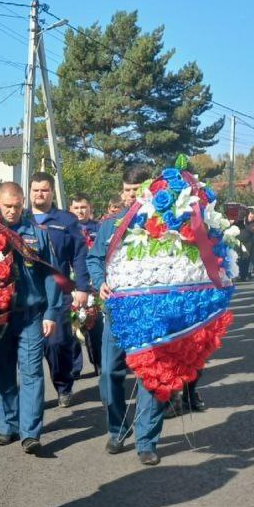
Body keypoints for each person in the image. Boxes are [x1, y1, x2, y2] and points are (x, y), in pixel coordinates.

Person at [87, 163, 165, 466]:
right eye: (127, 191)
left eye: (137, 191)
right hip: (117, 312)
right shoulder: (110, 225)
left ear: (149, 190)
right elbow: (94, 259)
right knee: (109, 373)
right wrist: (99, 282)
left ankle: (146, 440)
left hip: (152, 315)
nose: (131, 196)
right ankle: (117, 429)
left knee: (151, 375)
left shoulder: (163, 225)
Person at [0, 182, 61, 455]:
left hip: (31, 315)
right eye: (7, 206)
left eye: (18, 206)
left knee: (31, 373)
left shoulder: (37, 234)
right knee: (1, 372)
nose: (13, 211)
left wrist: (52, 313)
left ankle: (30, 432)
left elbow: (51, 275)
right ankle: (8, 425)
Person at [29, 172, 90, 407]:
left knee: (57, 343)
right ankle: (31, 397)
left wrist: (83, 287)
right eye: (35, 190)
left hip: (59, 291)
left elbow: (80, 255)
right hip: (29, 293)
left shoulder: (66, 221)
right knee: (32, 347)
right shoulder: (22, 220)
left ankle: (63, 385)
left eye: (44, 190)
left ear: (52, 192)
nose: (39, 194)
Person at [68, 192, 104, 377]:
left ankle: (99, 363)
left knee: (95, 327)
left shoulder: (99, 228)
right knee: (74, 328)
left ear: (90, 209)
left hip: (95, 286)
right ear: (70, 210)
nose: (80, 211)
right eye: (76, 208)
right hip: (73, 286)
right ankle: (74, 369)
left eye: (84, 207)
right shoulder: (66, 229)